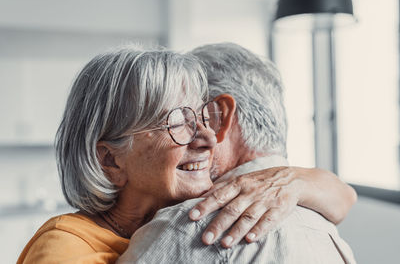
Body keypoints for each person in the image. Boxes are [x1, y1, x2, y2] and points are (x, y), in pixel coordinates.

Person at [17, 44, 354, 264]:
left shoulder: (204, 213)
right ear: (110, 160)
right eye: (177, 121)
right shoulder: (62, 249)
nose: (207, 137)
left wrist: (298, 181)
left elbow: (343, 198)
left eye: (202, 117)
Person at [117, 43, 356, 263]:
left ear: (218, 117)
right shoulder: (323, 227)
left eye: (187, 117)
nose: (195, 133)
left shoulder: (186, 227)